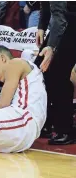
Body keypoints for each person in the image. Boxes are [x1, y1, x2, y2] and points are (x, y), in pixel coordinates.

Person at [34, 2, 76, 145]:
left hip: (70, 23)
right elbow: (46, 4)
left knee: (59, 75)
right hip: (63, 23)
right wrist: (42, 26)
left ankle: (66, 130)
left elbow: (60, 16)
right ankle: (47, 122)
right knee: (40, 71)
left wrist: (52, 46)